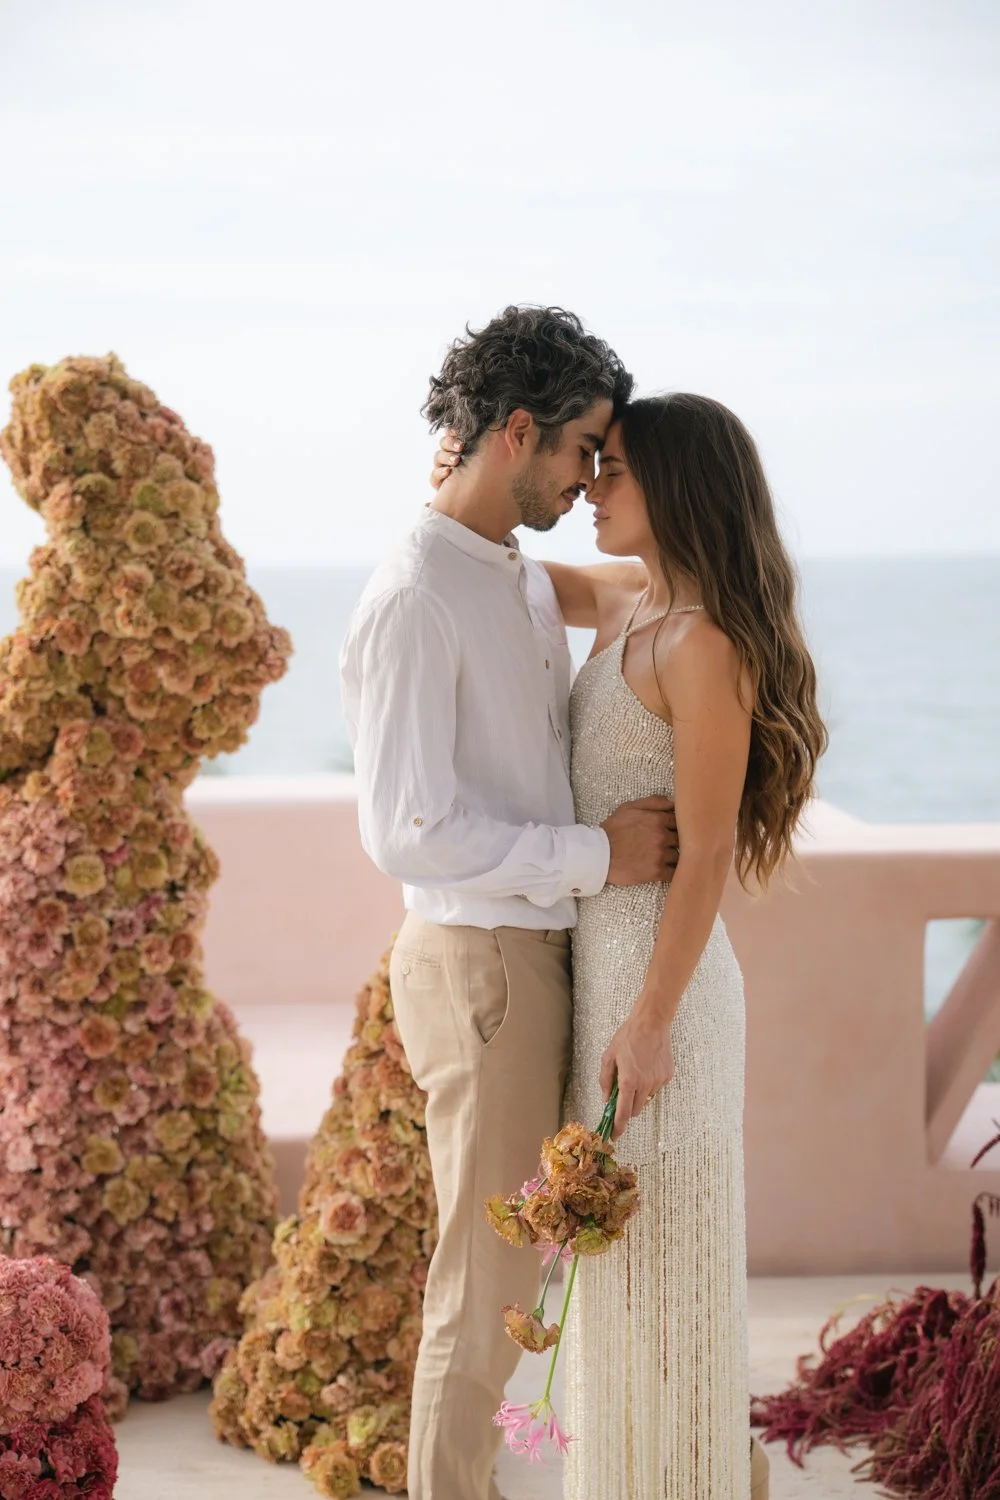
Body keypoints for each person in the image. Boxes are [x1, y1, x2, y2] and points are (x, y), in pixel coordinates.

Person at [431, 393, 825, 1499]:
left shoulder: (702, 648)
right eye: (589, 465)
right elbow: (487, 557)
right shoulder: (628, 601)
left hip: (665, 998)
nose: (590, 487)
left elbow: (701, 858)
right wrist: (457, 473)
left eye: (612, 470)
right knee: (611, 1290)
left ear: (678, 488)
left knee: (666, 1282)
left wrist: (650, 1021)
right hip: (599, 974)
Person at [340, 305, 680, 1500]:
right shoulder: (415, 598)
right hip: (480, 961)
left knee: (506, 1281)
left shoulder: (510, 573)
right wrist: (600, 855)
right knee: (480, 1295)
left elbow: (637, 581)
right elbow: (408, 830)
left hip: (525, 956)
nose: (590, 477)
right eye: (584, 448)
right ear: (518, 433)